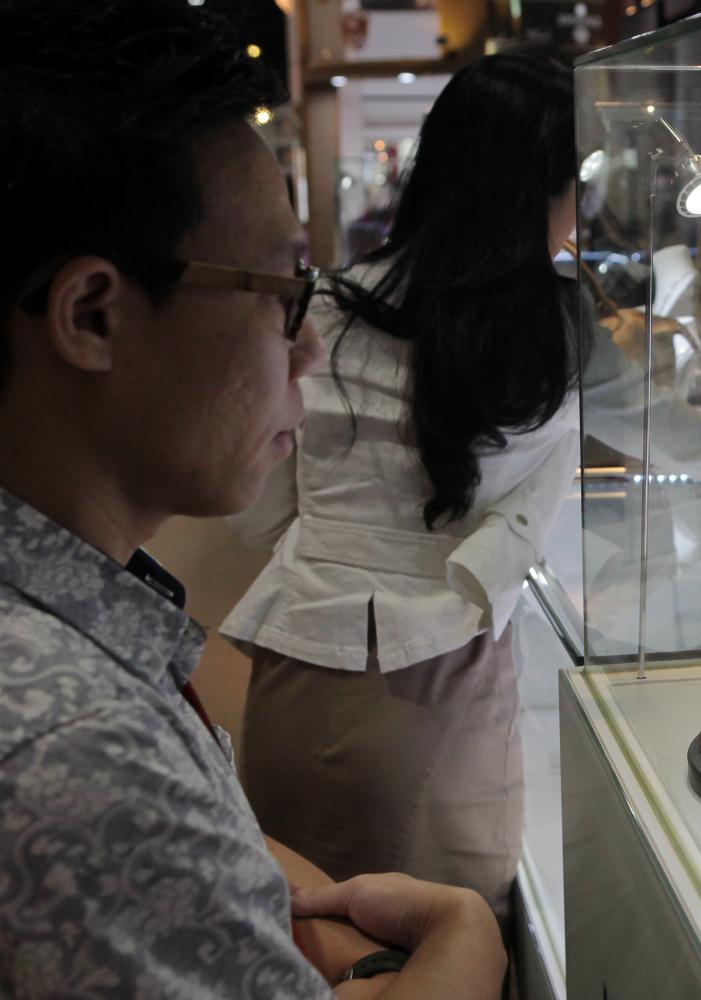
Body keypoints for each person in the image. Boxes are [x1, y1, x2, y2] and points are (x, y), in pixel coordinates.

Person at [221, 51, 701, 923]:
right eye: (573, 182)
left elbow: (267, 504)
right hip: (433, 671)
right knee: (445, 939)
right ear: (538, 188)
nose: (578, 211)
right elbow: (676, 437)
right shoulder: (553, 323)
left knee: (298, 935)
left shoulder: (336, 306)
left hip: (291, 663)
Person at [0, 1, 504, 996]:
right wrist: (463, 950)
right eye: (278, 289)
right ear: (94, 313)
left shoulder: (83, 640)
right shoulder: (81, 756)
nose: (308, 345)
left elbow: (218, 858)